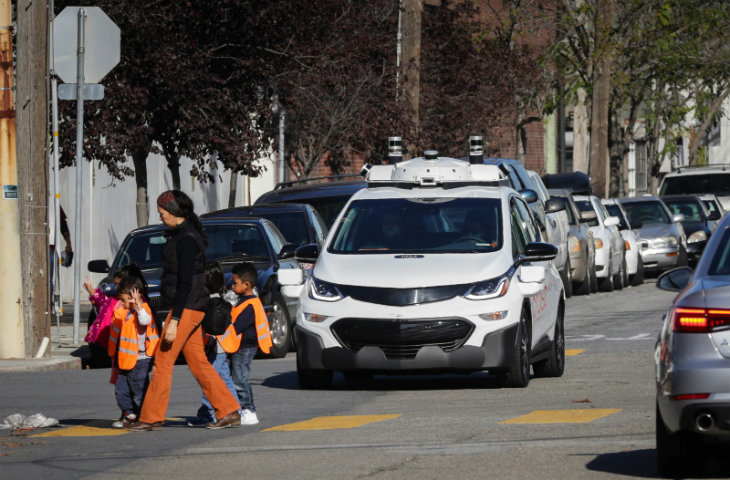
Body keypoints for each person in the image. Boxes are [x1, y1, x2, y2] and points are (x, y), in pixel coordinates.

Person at [126, 190, 241, 431]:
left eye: (162, 212)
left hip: (186, 307)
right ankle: (229, 409)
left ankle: (150, 417)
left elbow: (186, 282)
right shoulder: (181, 235)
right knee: (198, 362)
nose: (160, 217)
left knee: (163, 360)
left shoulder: (186, 239)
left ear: (175, 211)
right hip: (191, 306)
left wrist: (175, 319)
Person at [187, 261, 240, 427]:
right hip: (223, 347)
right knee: (224, 379)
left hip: (214, 347)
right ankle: (235, 412)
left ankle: (209, 414)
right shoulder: (221, 300)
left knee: (209, 380)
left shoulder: (206, 302)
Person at [107, 275, 158, 428]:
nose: (121, 303)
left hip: (140, 361)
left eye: (123, 300)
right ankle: (129, 413)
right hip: (126, 361)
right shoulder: (127, 313)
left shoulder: (142, 311)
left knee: (138, 392)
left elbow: (145, 321)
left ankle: (144, 417)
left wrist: (139, 305)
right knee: (121, 390)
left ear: (132, 297)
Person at [229, 262, 273, 426]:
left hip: (245, 347)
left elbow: (238, 326)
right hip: (241, 346)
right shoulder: (244, 301)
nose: (232, 286)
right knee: (238, 378)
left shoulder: (250, 304)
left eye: (235, 283)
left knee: (240, 380)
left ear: (247, 285)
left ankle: (249, 410)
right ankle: (242, 409)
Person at [84, 263, 147, 369]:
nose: (116, 287)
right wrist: (90, 290)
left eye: (119, 284)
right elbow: (102, 302)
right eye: (115, 284)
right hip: (110, 342)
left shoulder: (135, 302)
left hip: (127, 345)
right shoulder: (114, 298)